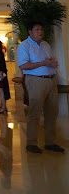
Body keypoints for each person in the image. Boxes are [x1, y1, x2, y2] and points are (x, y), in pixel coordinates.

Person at [18, 21, 64, 154]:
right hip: (35, 81)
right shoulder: (24, 46)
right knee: (35, 111)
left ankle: (50, 142)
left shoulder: (45, 44)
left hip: (50, 80)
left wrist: (53, 62)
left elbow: (50, 59)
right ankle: (31, 143)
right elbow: (24, 66)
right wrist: (44, 63)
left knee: (52, 112)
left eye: (41, 29)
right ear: (30, 32)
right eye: (37, 29)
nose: (40, 32)